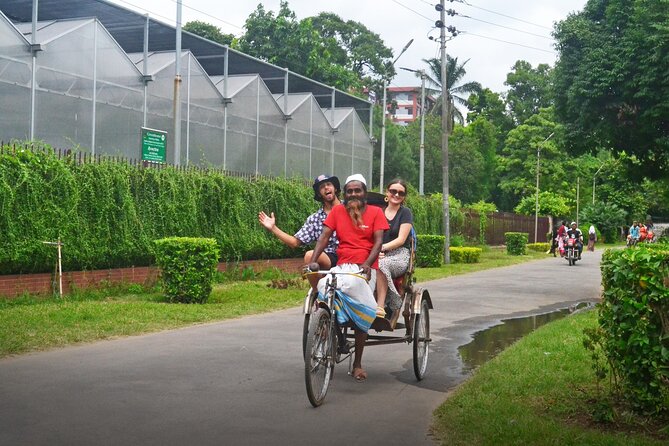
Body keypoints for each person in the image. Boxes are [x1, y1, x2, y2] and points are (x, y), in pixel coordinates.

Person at [306, 174, 389, 382]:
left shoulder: (376, 212)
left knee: (356, 292)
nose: (353, 194)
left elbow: (378, 242)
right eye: (349, 191)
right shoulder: (337, 211)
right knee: (324, 285)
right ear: (344, 194)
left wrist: (368, 264)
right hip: (342, 267)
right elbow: (323, 237)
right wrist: (314, 261)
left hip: (364, 269)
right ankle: (327, 326)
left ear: (364, 193)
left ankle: (358, 363)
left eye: (357, 190)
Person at [259, 174, 340, 288]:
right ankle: (318, 294)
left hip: (350, 254)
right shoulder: (315, 219)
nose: (326, 188)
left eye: (329, 184)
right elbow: (294, 242)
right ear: (318, 193)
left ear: (335, 188)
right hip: (328, 258)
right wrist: (273, 228)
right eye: (322, 187)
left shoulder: (350, 209)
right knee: (309, 256)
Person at [375, 178, 413, 327]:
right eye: (393, 191)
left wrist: (381, 248)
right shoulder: (378, 212)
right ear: (387, 192)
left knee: (381, 264)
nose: (396, 195)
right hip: (380, 252)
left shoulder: (405, 213)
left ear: (404, 197)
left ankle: (381, 307)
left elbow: (401, 239)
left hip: (400, 254)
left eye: (401, 193)